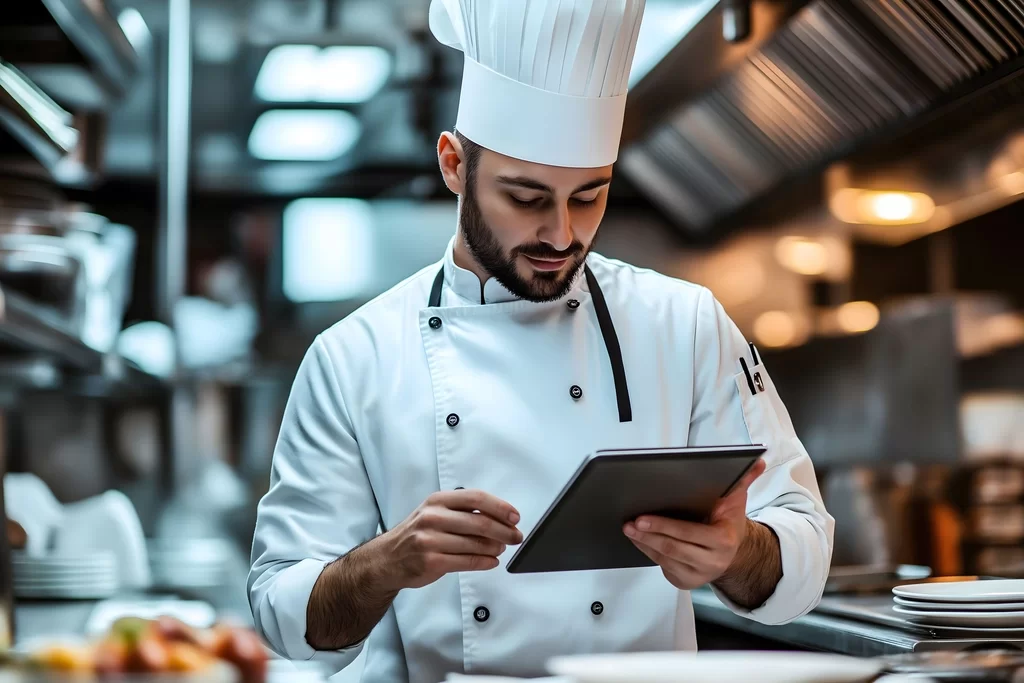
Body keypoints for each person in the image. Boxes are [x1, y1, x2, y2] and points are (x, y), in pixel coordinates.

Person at [248, 0, 834, 680]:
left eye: (589, 196)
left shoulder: (686, 324)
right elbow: (280, 611)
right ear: (453, 164)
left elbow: (805, 549)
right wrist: (388, 561)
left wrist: (737, 552)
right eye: (526, 197)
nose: (561, 235)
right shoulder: (353, 357)